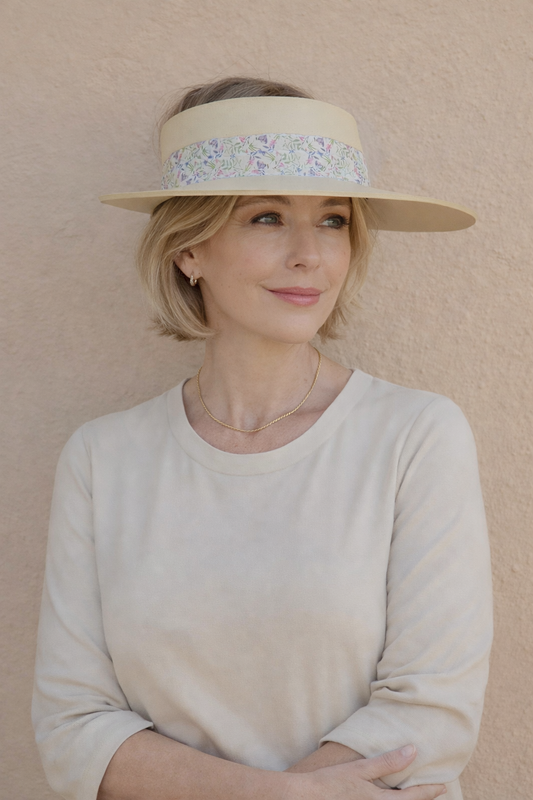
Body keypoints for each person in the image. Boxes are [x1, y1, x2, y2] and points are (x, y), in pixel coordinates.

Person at [32, 77, 492, 800]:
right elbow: (74, 731)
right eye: (267, 217)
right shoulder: (104, 458)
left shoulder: (412, 436)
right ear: (189, 250)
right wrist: (269, 795)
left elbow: (431, 715)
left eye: (333, 220)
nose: (309, 254)